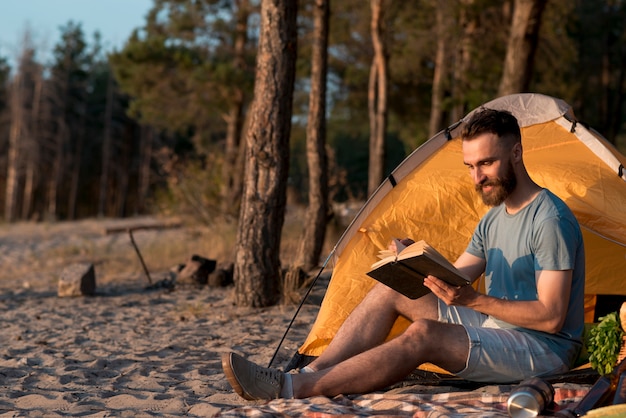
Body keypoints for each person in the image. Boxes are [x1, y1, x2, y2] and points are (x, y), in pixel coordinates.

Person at [221, 108, 585, 401]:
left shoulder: (549, 219)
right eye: (470, 167)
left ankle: (291, 390)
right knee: (392, 290)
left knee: (424, 333)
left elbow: (551, 317)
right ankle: (309, 372)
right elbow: (455, 279)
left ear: (516, 153)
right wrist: (413, 258)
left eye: (486, 164)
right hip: (495, 327)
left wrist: (473, 300)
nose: (477, 179)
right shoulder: (492, 220)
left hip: (542, 349)